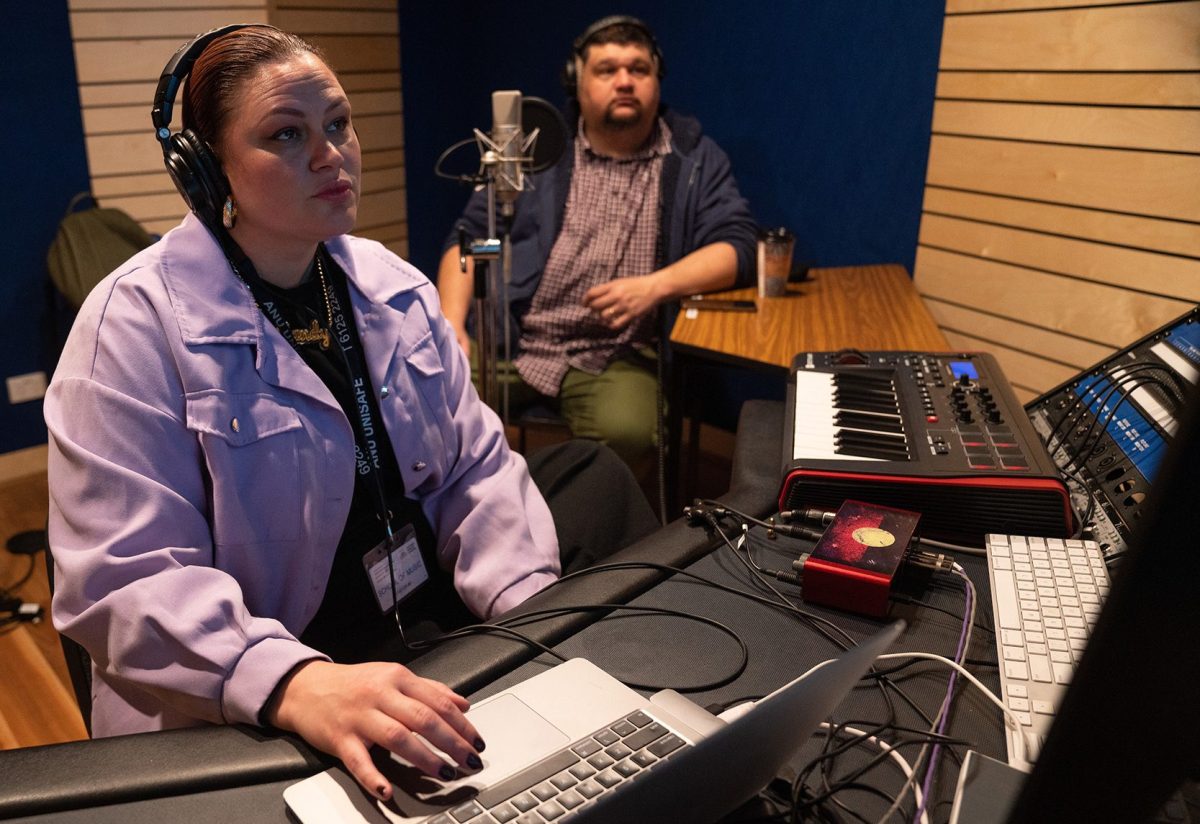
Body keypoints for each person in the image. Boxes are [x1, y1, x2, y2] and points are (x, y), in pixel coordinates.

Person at [44, 25, 656, 804]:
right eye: (286, 135)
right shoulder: (129, 329)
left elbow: (475, 467)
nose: (332, 154)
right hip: (270, 678)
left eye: (336, 123)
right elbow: (124, 583)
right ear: (206, 171)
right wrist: (297, 683)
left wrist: (533, 627)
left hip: (419, 622)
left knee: (593, 478)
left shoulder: (388, 284)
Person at [436, 15, 758, 477]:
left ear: (656, 81)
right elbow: (469, 238)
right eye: (607, 70)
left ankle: (579, 525)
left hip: (615, 354)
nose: (624, 81)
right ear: (577, 82)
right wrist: (452, 323)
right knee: (428, 393)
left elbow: (739, 248)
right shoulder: (535, 150)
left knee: (628, 432)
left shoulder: (693, 158)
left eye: (638, 69)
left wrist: (653, 288)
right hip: (513, 339)